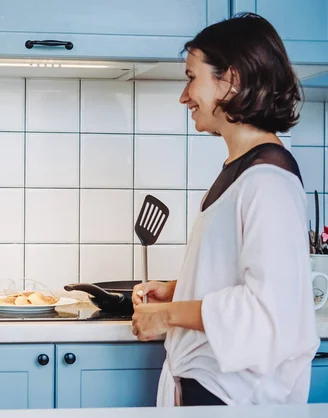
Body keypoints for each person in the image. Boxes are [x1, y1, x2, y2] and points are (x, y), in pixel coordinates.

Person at [131, 13, 320, 406]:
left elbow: (268, 311)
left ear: (230, 80)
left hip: (237, 398)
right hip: (214, 389)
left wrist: (167, 315)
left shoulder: (268, 182)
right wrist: (178, 290)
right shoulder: (244, 170)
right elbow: (240, 279)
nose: (184, 96)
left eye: (190, 77)